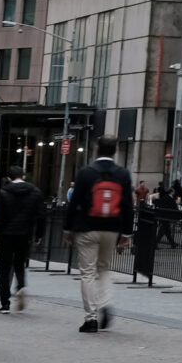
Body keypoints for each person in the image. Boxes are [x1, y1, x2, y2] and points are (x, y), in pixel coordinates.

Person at [65, 140, 135, 332]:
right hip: (112, 228)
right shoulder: (122, 174)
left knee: (87, 272)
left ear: (96, 149)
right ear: (115, 150)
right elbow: (128, 205)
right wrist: (127, 232)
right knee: (104, 268)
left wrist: (68, 229)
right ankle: (105, 303)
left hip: (87, 227)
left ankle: (91, 318)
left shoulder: (86, 172)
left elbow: (74, 203)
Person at [0, 170, 46, 313]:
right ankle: (21, 286)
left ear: (8, 178)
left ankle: (5, 303)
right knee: (20, 264)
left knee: (4, 268)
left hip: (6, 234)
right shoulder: (35, 192)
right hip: (25, 234)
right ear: (24, 177)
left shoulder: (3, 193)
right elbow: (41, 215)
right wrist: (39, 234)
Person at [131, 182, 160, 283]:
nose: (143, 185)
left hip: (142, 206)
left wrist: (148, 203)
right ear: (140, 184)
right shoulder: (137, 190)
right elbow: (135, 196)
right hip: (139, 205)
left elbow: (147, 196)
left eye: (144, 183)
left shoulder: (146, 190)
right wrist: (135, 203)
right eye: (142, 183)